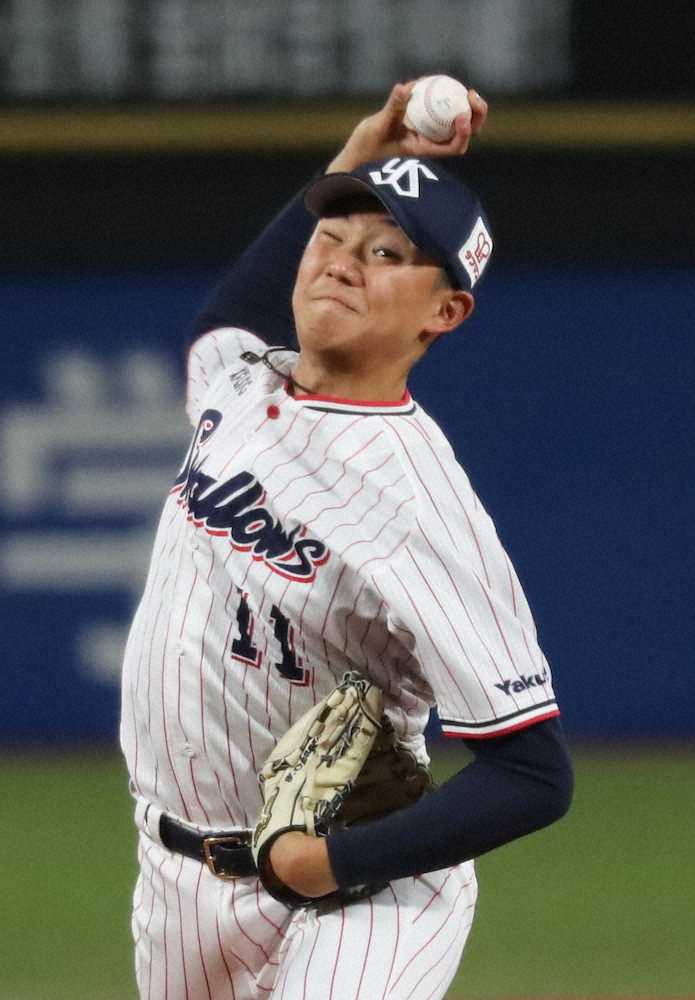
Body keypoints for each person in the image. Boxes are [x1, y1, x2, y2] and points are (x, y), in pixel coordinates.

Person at [120, 82, 573, 1000]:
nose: (339, 264)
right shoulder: (242, 386)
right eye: (329, 238)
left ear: (443, 312)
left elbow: (532, 773)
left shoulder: (417, 501)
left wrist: (334, 864)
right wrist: (359, 157)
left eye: (386, 254)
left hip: (363, 892)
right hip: (176, 886)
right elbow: (227, 320)